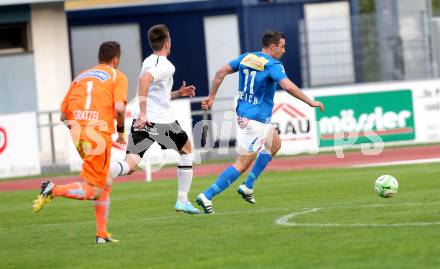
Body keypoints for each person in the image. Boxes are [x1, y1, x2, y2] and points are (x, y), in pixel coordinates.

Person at [196, 30, 324, 214]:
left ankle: (248, 185)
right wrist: (309, 101)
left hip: (248, 115)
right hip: (255, 119)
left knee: (274, 144)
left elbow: (220, 72)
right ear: (272, 46)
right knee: (241, 164)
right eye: (282, 46)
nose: (284, 51)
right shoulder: (273, 64)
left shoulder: (247, 57)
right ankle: (207, 196)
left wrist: (212, 96)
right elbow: (286, 85)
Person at [32, 41, 128, 243]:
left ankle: (101, 234)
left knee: (105, 180)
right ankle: (54, 189)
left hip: (78, 132)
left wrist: (78, 129)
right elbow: (119, 108)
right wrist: (121, 132)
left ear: (99, 58)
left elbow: (62, 116)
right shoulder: (117, 76)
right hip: (98, 134)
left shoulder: (81, 77)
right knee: (95, 190)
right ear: (116, 60)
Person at [108, 24, 200, 214]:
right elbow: (144, 80)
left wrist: (178, 93)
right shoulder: (167, 65)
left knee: (130, 165)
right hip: (158, 120)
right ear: (168, 43)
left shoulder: (148, 60)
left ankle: (103, 172)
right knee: (187, 149)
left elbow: (156, 93)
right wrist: (144, 112)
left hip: (143, 120)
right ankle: (182, 200)